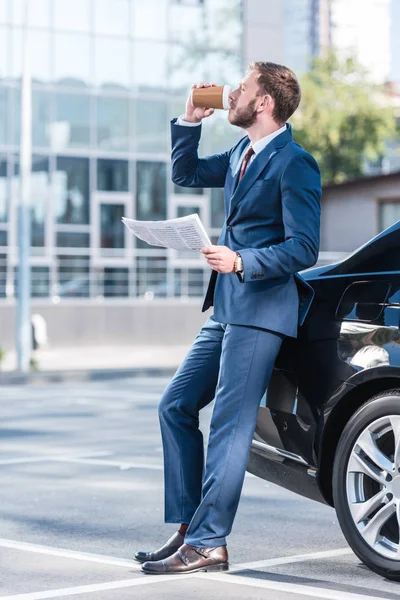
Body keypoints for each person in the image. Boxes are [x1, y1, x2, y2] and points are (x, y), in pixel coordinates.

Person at [135, 61, 321, 575]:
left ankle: (209, 542)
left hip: (262, 310)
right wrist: (190, 120)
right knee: (174, 405)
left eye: (242, 88)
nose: (231, 94)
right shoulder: (241, 150)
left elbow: (304, 247)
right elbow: (186, 173)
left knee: (229, 427)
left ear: (264, 103)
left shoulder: (295, 163)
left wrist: (242, 261)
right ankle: (187, 530)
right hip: (227, 307)